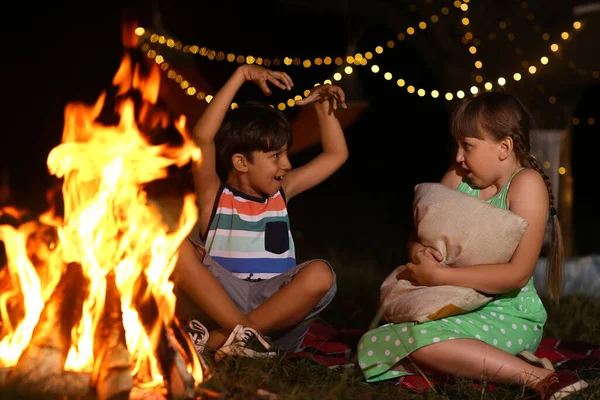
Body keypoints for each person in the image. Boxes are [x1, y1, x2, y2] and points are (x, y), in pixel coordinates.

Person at [357, 92, 588, 399]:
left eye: (467, 146)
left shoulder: (525, 185)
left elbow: (517, 275)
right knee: (379, 339)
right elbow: (419, 234)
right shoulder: (457, 178)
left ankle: (540, 379)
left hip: (507, 313)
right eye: (457, 145)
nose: (458, 157)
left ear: (504, 147)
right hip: (452, 304)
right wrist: (418, 252)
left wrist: (440, 277)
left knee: (415, 337)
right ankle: (493, 363)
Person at [173, 64, 348, 361]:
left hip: (276, 314)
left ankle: (232, 338)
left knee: (321, 274)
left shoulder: (283, 192)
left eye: (286, 154)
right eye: (276, 156)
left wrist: (323, 109)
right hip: (221, 301)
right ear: (241, 162)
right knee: (173, 247)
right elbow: (203, 137)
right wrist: (240, 75)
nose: (287, 165)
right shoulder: (214, 197)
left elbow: (335, 155)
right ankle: (240, 335)